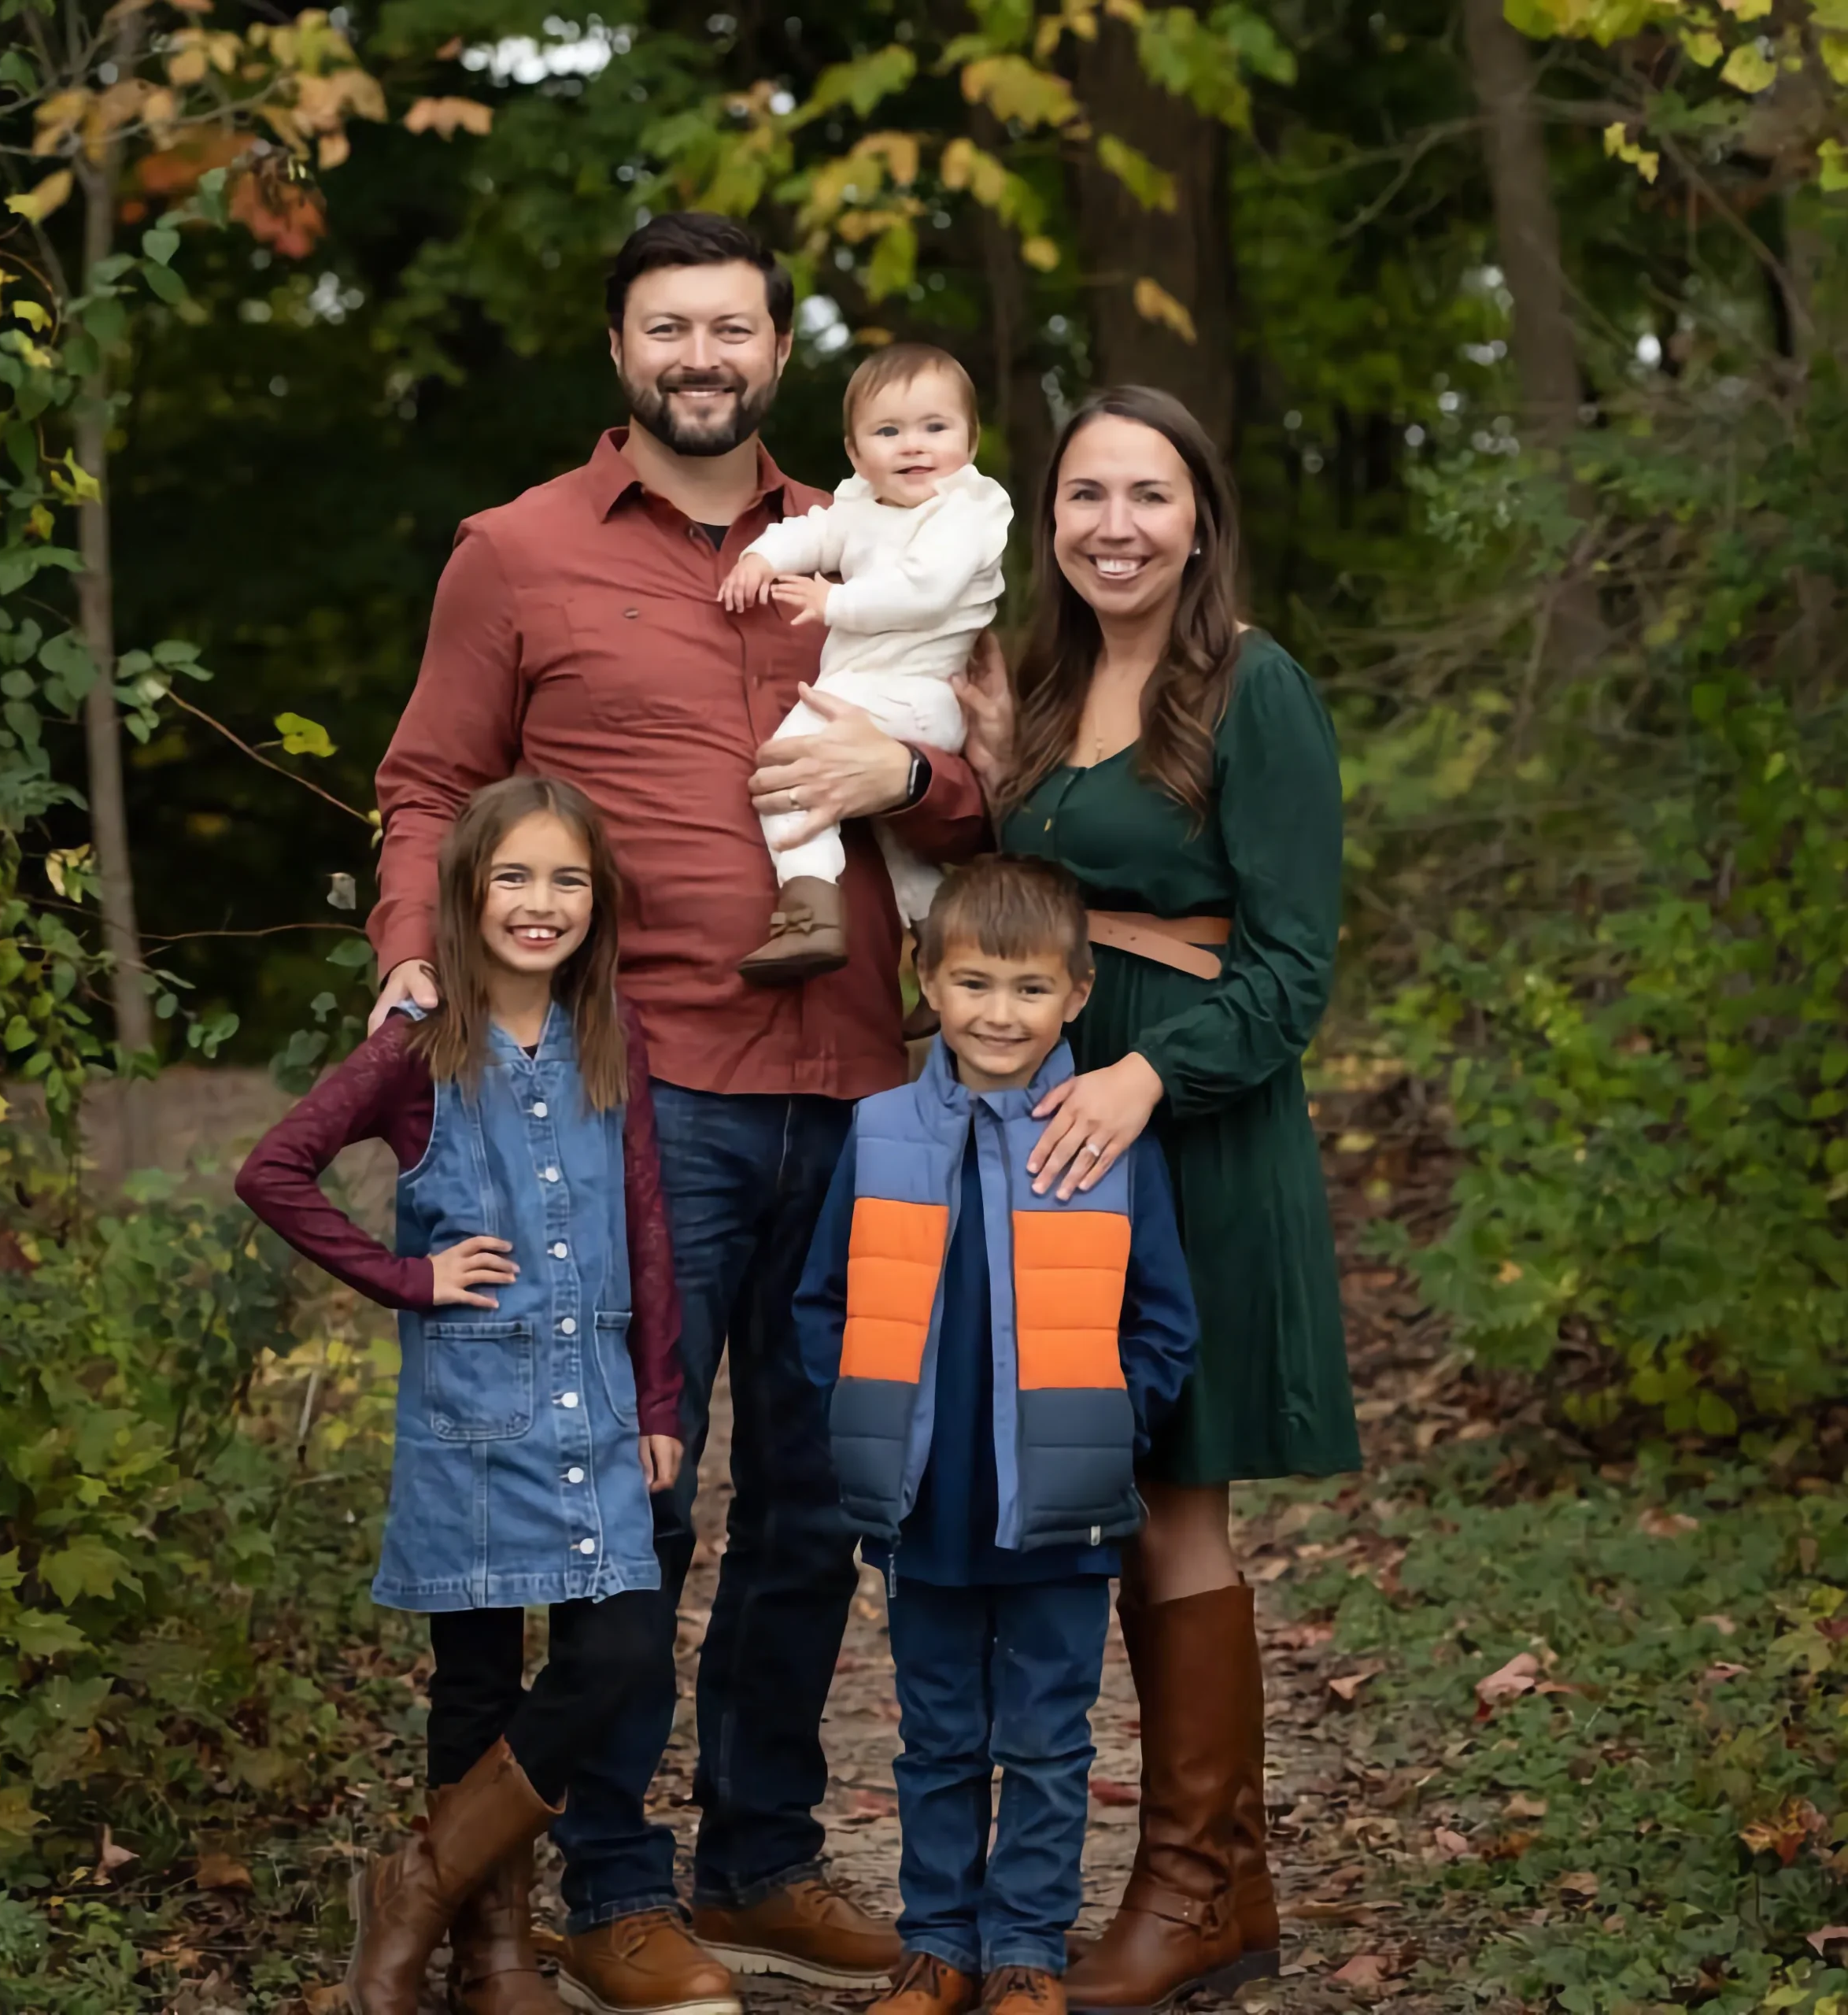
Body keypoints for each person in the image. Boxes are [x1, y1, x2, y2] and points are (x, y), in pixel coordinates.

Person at [366, 212, 989, 2015]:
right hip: (624, 1102)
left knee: (816, 1493)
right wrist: (417, 959)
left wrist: (913, 768)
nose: (699, 354)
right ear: (617, 349)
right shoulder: (517, 553)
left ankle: (760, 1852)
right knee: (629, 1498)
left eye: (730, 325)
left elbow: (986, 776)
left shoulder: (890, 530)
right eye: (666, 327)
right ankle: (609, 1878)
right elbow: (425, 782)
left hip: (868, 1084)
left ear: (776, 347)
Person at [954, 387, 1362, 2008]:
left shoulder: (1252, 687)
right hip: (1054, 1127)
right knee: (1107, 1483)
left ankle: (1187, 1882)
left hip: (1187, 1115)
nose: (1111, 522)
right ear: (1045, 519)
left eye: (1146, 492)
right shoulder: (1043, 687)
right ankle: (1229, 1887)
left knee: (1174, 1490)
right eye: (1081, 495)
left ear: (1198, 515)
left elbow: (1289, 968)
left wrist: (1141, 1078)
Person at [234, 778, 686, 2015]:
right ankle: (493, 1956)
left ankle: (414, 1885)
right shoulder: (415, 1047)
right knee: (475, 1682)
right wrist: (404, 1276)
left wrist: (660, 1405)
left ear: (598, 904)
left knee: (623, 1646)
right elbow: (273, 1170)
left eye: (568, 881)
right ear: (466, 893)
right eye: (515, 879)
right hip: (473, 1413)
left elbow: (646, 1223)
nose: (541, 905)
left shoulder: (612, 1036)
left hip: (595, 1404)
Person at [795, 858, 1198, 2015]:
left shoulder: (1107, 1141)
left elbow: (1163, 1317)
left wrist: (1115, 1433)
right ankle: (939, 1946)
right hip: (924, 1501)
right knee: (935, 1737)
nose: (999, 1014)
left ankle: (1024, 1948)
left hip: (1061, 1502)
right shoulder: (877, 1136)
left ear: (1076, 996)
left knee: (1049, 1738)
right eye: (974, 984)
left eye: (1030, 990)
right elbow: (822, 1301)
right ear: (929, 981)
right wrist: (854, 1418)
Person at [719, 343, 1012, 981]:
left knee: (792, 763)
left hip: (918, 695)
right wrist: (762, 560)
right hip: (874, 696)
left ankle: (809, 907)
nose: (913, 446)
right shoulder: (861, 510)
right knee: (897, 842)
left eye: (935, 428)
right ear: (856, 453)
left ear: (971, 439)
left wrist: (834, 602)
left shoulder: (966, 513)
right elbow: (811, 532)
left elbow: (924, 590)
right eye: (889, 432)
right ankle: (943, 957)